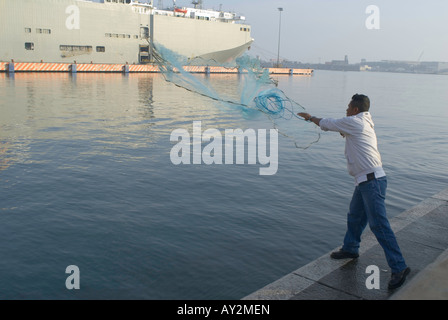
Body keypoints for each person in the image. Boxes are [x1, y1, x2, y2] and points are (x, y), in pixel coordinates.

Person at [298, 94, 410, 290]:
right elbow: (342, 128)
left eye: (348, 107)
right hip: (365, 180)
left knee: (379, 225)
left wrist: (310, 117)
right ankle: (351, 248)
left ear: (355, 110)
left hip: (372, 182)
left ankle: (399, 267)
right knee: (355, 217)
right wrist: (341, 130)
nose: (346, 110)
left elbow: (329, 122)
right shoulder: (362, 122)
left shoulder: (355, 122)